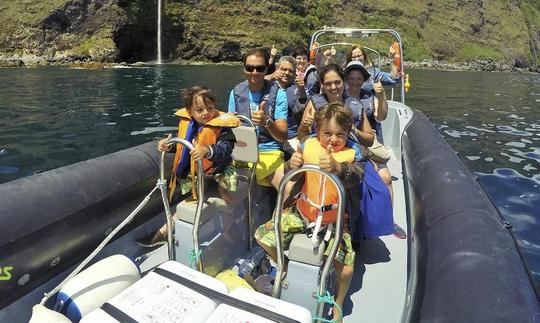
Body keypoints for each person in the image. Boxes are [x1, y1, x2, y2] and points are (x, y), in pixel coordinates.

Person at [255, 103, 365, 321]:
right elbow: (292, 176)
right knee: (262, 237)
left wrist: (339, 168)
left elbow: (357, 175)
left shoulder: (353, 154)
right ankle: (284, 267)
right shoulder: (306, 145)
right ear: (317, 131)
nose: (333, 140)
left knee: (346, 269)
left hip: (334, 221)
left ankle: (338, 304)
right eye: (328, 133)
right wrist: (292, 165)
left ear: (348, 133)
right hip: (303, 212)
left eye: (340, 134)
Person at [138, 86, 240, 247]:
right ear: (190, 111)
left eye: (210, 108)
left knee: (226, 177)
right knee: (190, 194)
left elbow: (226, 148)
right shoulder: (189, 126)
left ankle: (222, 189)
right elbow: (182, 146)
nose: (206, 113)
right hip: (197, 173)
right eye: (200, 110)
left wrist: (207, 150)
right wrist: (168, 145)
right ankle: (166, 230)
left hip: (218, 169)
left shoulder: (223, 129)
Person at [228, 48, 288, 188]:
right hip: (241, 151)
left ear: (266, 69)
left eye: (259, 68)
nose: (254, 73)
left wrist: (267, 122)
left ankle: (279, 209)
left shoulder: (279, 94)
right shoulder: (235, 93)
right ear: (244, 69)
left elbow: (283, 136)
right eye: (249, 68)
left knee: (287, 188)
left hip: (269, 151)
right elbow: (229, 127)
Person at [297, 64, 374, 147]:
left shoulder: (356, 106)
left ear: (343, 82)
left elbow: (370, 141)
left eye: (337, 82)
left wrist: (354, 131)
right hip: (320, 153)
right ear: (322, 85)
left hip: (348, 154)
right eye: (328, 84)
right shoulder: (314, 103)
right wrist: (304, 127)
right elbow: (302, 138)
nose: (333, 87)